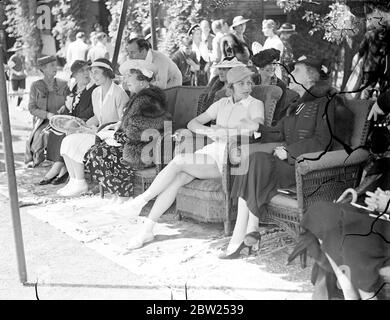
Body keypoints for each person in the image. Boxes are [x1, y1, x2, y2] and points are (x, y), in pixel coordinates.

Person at [118, 66, 265, 249]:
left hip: (231, 155)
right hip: (211, 150)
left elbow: (257, 127)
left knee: (179, 161)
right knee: (178, 178)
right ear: (231, 86)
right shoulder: (221, 104)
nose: (247, 87)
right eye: (241, 83)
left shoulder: (255, 104)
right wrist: (209, 130)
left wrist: (229, 132)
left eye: (249, 83)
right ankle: (147, 229)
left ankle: (142, 200)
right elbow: (193, 123)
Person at [222, 56, 335, 259]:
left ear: (311, 78)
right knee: (253, 160)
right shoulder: (297, 104)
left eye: (297, 71)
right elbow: (278, 133)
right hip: (286, 165)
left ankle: (242, 236)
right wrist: (257, 127)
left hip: (309, 169)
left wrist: (290, 152)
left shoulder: (326, 103)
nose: (290, 75)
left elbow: (323, 141)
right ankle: (249, 231)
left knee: (254, 164)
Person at [84, 60, 172, 203]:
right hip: (133, 142)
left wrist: (118, 136)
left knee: (100, 152)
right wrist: (117, 129)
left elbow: (147, 127)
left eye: (130, 77)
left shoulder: (148, 100)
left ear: (142, 81)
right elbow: (131, 123)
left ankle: (124, 195)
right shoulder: (139, 97)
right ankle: (117, 192)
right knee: (96, 151)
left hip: (145, 148)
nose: (126, 80)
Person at [58, 58, 129, 197]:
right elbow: (97, 117)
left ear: (107, 73)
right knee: (68, 139)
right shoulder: (96, 93)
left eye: (96, 72)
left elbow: (123, 122)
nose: (92, 76)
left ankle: (80, 183)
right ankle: (74, 181)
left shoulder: (119, 94)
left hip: (111, 136)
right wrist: (81, 125)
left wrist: (99, 130)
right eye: (91, 73)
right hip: (98, 132)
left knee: (77, 143)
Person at [39, 60, 97, 186]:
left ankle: (58, 167)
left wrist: (74, 120)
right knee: (54, 129)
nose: (86, 73)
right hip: (74, 120)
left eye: (88, 70)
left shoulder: (94, 88)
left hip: (87, 123)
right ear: (75, 75)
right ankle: (62, 168)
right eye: (82, 71)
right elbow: (69, 108)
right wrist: (67, 107)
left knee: (67, 131)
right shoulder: (74, 87)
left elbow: (92, 111)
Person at [25, 56, 69, 168]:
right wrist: (47, 115)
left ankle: (56, 161)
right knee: (43, 135)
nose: (55, 67)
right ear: (43, 69)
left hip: (61, 120)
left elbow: (70, 103)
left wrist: (64, 108)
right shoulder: (35, 86)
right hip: (43, 121)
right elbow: (32, 108)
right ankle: (39, 158)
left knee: (56, 133)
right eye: (52, 66)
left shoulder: (63, 84)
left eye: (55, 65)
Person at [252, 48, 289, 125]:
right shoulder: (252, 80)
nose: (273, 67)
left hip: (270, 124)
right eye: (269, 64)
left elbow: (280, 111)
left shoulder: (280, 85)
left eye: (275, 63)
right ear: (261, 65)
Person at [7, 41, 26, 108]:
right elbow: (10, 68)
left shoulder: (23, 57)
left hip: (22, 77)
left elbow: (23, 66)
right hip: (14, 77)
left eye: (22, 49)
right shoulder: (13, 58)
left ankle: (18, 105)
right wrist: (16, 73)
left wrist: (25, 71)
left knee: (21, 91)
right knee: (15, 92)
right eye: (20, 50)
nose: (22, 51)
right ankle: (9, 101)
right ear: (17, 51)